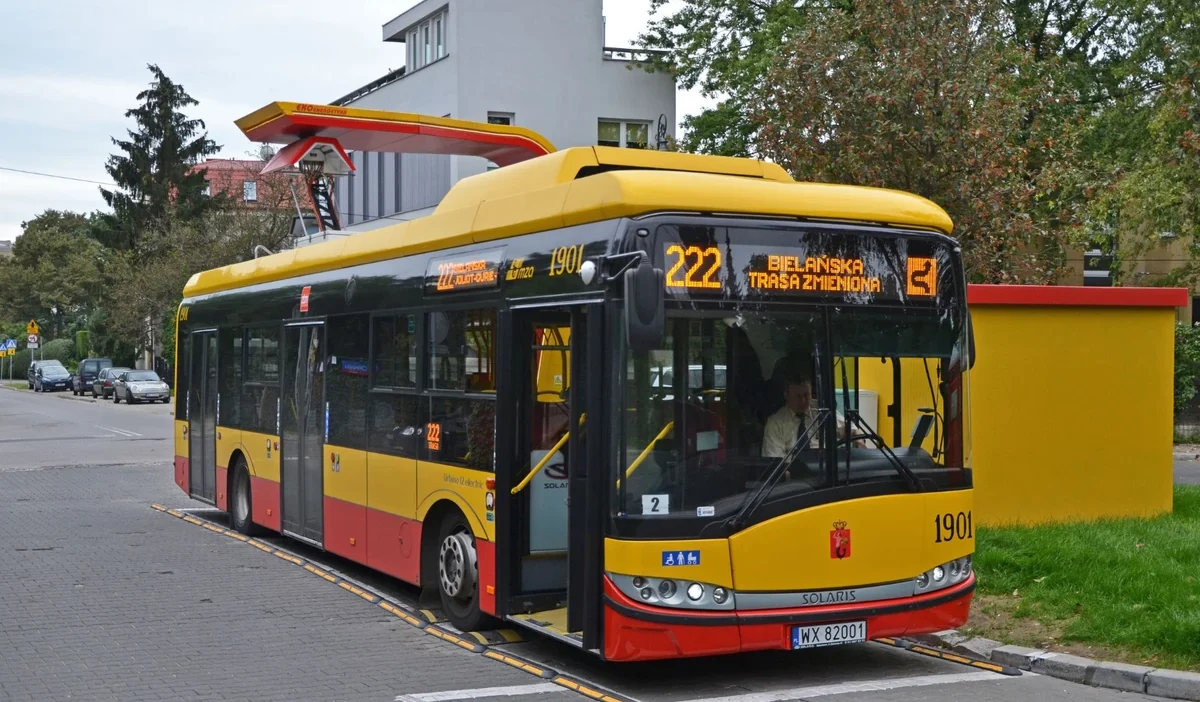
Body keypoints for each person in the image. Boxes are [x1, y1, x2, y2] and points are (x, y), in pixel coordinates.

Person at [762, 377, 850, 458]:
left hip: (827, 469)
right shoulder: (775, 423)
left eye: (806, 395)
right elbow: (775, 464)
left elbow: (850, 429)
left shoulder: (822, 410)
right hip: (794, 472)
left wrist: (855, 435)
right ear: (786, 396)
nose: (803, 401)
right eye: (798, 397)